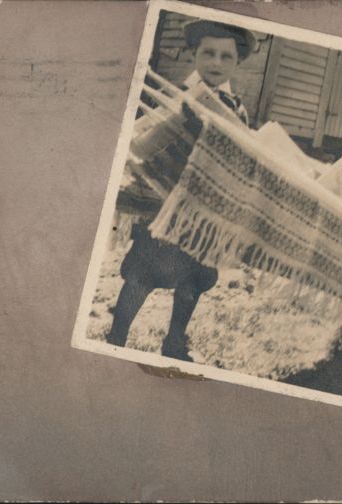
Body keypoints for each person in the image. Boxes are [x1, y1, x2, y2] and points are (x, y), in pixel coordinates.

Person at [106, 20, 256, 361]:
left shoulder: (236, 107)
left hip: (204, 210)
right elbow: (147, 142)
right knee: (143, 274)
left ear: (237, 62)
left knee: (192, 278)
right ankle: (116, 338)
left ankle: (174, 342)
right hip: (164, 203)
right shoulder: (176, 95)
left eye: (226, 57)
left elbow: (242, 155)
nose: (216, 63)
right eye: (208, 53)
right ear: (194, 54)